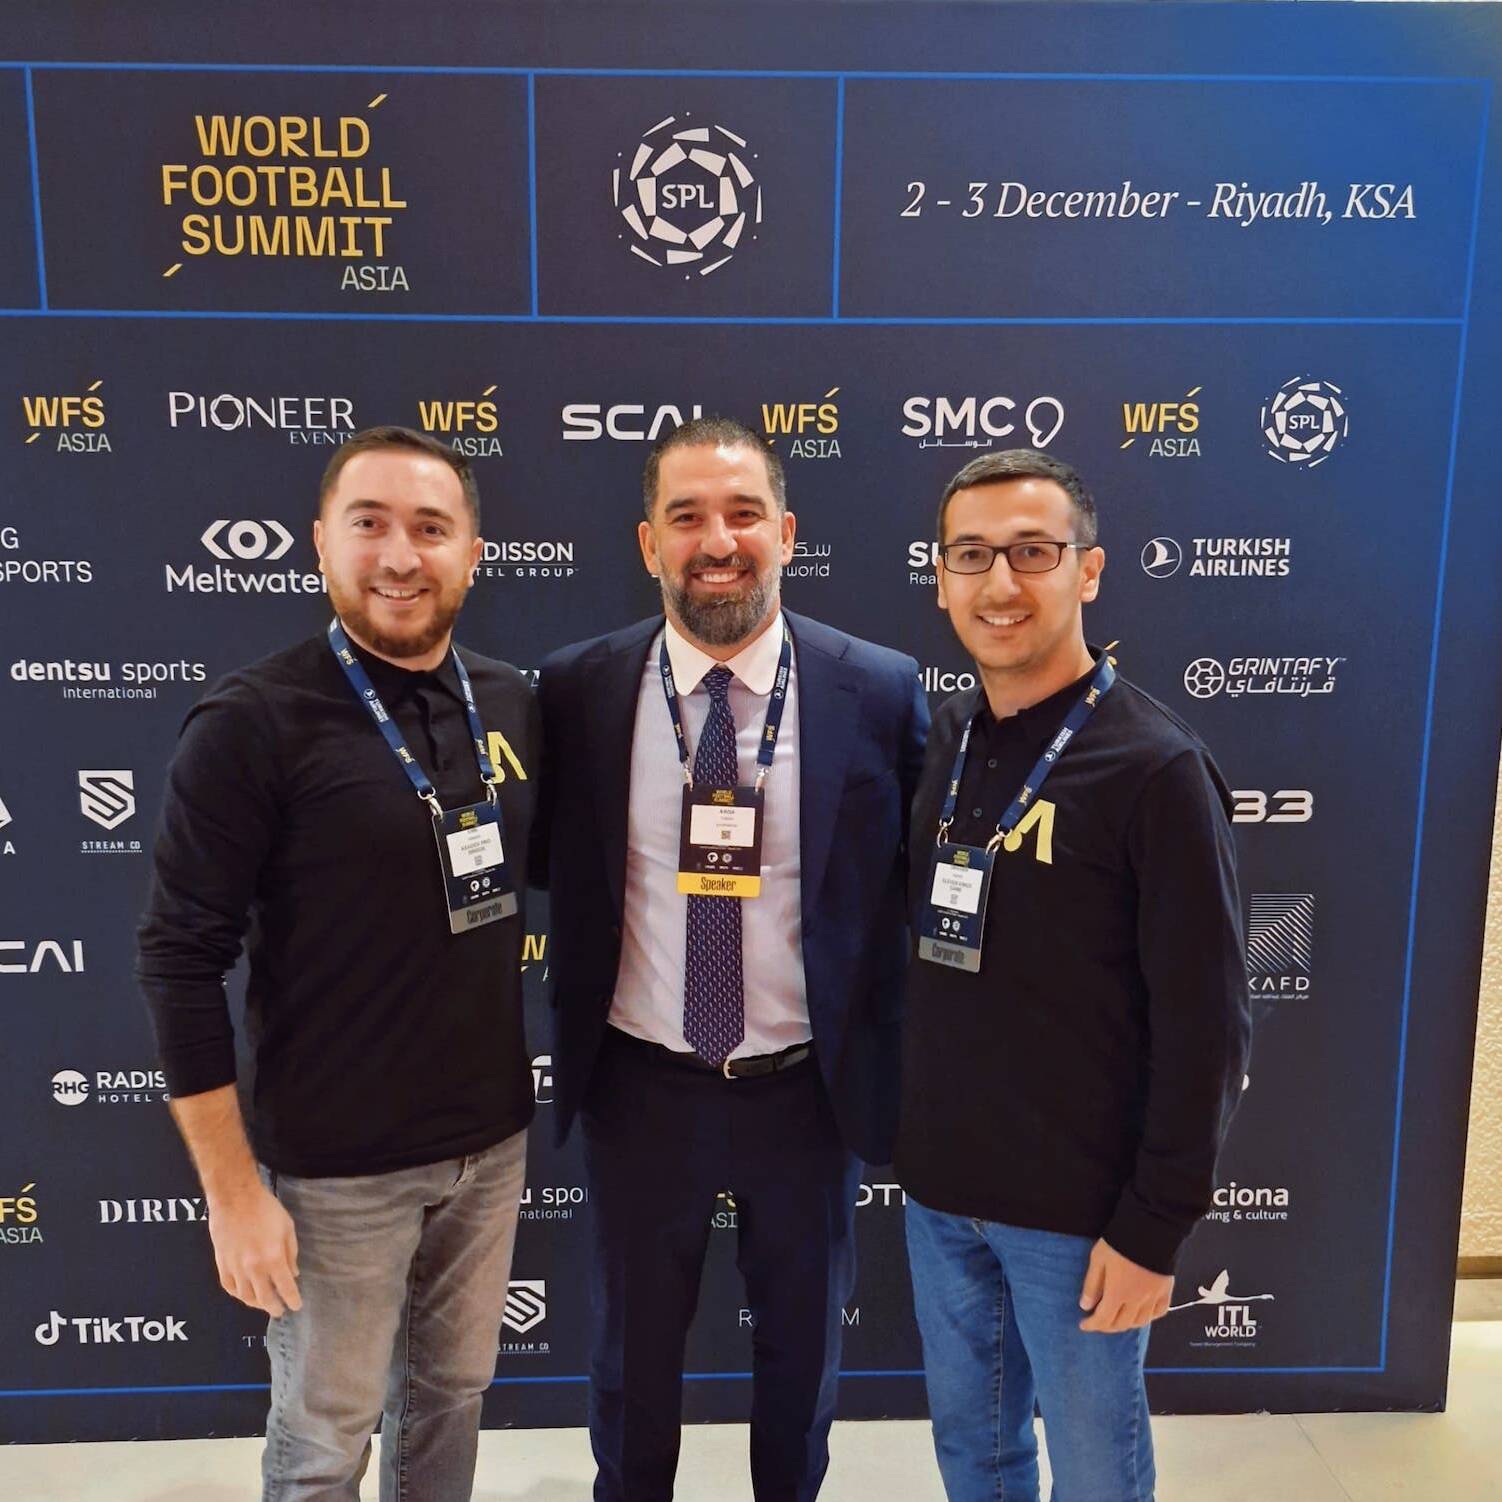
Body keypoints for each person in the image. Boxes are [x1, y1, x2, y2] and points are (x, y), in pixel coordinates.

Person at [136, 426, 539, 1502]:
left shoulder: (507, 701)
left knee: (451, 1399)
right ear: (320, 542)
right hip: (332, 1171)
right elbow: (179, 959)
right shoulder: (251, 721)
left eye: (430, 528)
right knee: (324, 1437)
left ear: (472, 553)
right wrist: (234, 1194)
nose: (400, 556)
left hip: (489, 1146)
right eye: (370, 524)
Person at [535, 415, 929, 1501]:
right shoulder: (575, 689)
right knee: (629, 1371)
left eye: (744, 513)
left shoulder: (878, 687)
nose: (718, 541)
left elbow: (910, 885)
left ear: (787, 533)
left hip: (806, 1093)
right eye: (687, 517)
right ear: (647, 543)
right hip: (638, 1086)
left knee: (801, 1369)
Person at [894, 448, 1250, 1502]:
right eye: (970, 555)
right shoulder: (951, 736)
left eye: (1032, 552)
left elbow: (1207, 1027)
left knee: (1097, 1474)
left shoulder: (1155, 767)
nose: (999, 583)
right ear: (941, 578)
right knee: (976, 1457)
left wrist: (1152, 1228)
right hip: (942, 1196)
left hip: (1080, 1217)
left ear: (1087, 570)